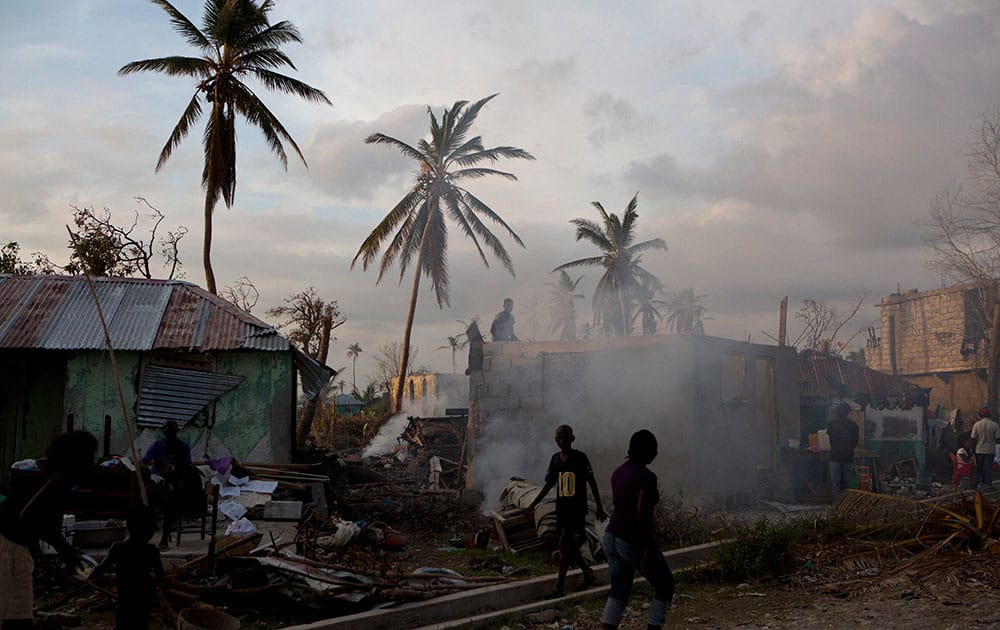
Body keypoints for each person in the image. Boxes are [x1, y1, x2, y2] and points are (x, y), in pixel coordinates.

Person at [0, 431, 98, 629]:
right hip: (11, 551)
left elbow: (36, 521)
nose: (92, 463)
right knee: (17, 619)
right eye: (89, 457)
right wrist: (64, 549)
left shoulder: (49, 476)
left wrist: (62, 548)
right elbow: (28, 518)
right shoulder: (57, 482)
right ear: (77, 459)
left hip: (12, 545)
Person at [601, 429, 674, 630]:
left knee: (619, 592)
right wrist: (649, 546)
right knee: (665, 586)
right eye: (654, 449)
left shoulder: (618, 472)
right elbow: (642, 514)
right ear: (647, 450)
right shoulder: (647, 477)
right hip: (630, 539)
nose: (656, 453)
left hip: (610, 536)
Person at [528, 424, 606, 599]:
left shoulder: (580, 458)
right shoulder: (555, 459)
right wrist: (533, 504)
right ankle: (587, 573)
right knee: (568, 544)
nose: (562, 440)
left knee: (564, 542)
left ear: (573, 438)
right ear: (556, 440)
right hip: (561, 508)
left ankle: (559, 586)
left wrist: (599, 507)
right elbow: (549, 484)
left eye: (565, 437)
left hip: (576, 509)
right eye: (559, 437)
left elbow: (592, 482)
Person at [90, 505, 165, 630]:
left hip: (125, 601)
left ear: (129, 527)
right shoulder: (151, 550)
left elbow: (101, 569)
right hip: (143, 603)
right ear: (150, 531)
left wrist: (88, 572)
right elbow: (161, 578)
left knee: (123, 624)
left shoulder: (118, 548)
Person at [827, 402, 859, 501]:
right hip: (844, 457)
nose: (839, 412)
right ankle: (842, 505)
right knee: (844, 484)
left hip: (839, 457)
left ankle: (839, 505)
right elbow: (855, 442)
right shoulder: (852, 425)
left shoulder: (833, 424)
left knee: (838, 484)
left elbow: (830, 440)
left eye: (841, 409)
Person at [971, 407, 1000, 488]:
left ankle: (974, 485)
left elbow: (973, 438)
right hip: (990, 450)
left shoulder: (977, 424)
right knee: (988, 468)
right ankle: (987, 485)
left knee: (978, 468)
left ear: (981, 415)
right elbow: (998, 438)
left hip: (979, 449)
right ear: (989, 415)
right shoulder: (994, 424)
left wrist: (972, 450)